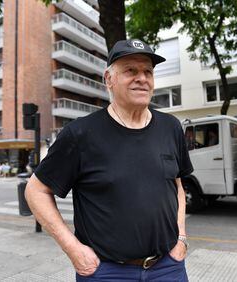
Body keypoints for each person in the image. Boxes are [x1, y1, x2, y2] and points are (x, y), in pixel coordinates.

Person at [25, 39, 194, 281]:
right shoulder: (80, 134)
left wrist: (181, 239)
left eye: (148, 71)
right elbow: (35, 191)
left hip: (167, 267)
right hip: (107, 272)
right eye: (130, 71)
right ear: (108, 79)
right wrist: (73, 249)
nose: (142, 78)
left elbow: (177, 186)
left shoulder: (171, 127)